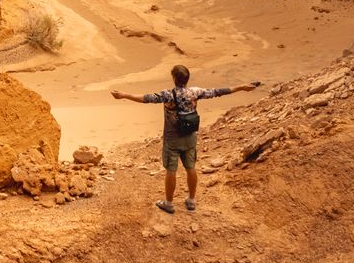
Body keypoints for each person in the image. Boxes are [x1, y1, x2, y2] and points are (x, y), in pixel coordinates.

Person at [111, 65, 261, 213]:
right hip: (190, 137)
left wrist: (124, 95)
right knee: (191, 168)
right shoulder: (195, 92)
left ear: (174, 78)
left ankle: (169, 203)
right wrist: (241, 87)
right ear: (187, 79)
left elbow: (145, 98)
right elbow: (218, 92)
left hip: (172, 139)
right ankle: (191, 200)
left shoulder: (168, 95)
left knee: (171, 170)